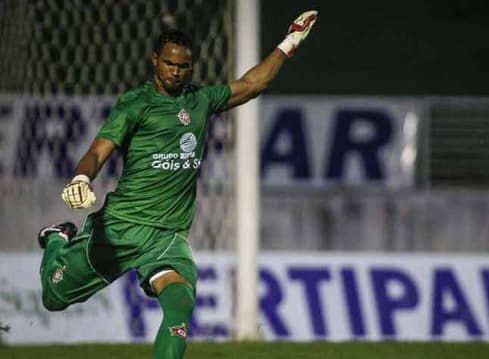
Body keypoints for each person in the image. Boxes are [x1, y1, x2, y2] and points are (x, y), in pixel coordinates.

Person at [37, 10, 318, 358]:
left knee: (180, 303)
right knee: (54, 298)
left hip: (167, 236)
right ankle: (56, 239)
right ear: (155, 60)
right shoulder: (136, 104)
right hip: (120, 227)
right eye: (169, 63)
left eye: (183, 66)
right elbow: (98, 151)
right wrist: (82, 177)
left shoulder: (199, 101)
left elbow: (251, 85)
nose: (175, 71)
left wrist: (290, 41)